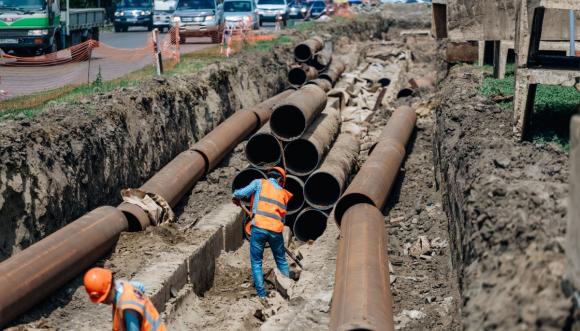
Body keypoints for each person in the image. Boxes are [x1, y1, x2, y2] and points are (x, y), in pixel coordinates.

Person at [232, 166, 293, 298]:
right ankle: (288, 290)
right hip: (276, 231)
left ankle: (262, 295)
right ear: (279, 179)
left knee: (256, 262)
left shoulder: (259, 183)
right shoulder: (283, 193)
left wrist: (235, 196)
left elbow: (239, 194)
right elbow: (282, 218)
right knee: (281, 260)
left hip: (259, 227)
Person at [83, 267, 166, 331]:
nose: (102, 301)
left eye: (105, 297)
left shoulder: (128, 308)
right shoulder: (123, 286)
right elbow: (140, 286)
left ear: (112, 286)